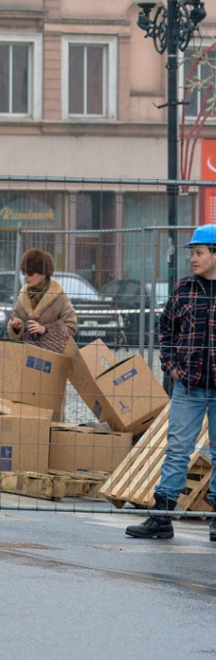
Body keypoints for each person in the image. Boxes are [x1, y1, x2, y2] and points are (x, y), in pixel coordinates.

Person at [127, 224, 216, 541]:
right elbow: (165, 332)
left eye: (199, 252)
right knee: (177, 450)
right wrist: (171, 367)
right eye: (193, 253)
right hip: (189, 386)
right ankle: (162, 516)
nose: (193, 259)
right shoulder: (183, 289)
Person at [6, 248, 77, 351]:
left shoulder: (59, 296)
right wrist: (17, 326)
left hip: (52, 357)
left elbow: (71, 326)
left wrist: (45, 330)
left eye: (30, 273)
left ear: (43, 274)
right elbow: (15, 320)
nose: (26, 276)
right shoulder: (23, 296)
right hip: (26, 355)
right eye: (24, 272)